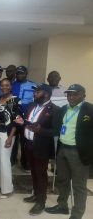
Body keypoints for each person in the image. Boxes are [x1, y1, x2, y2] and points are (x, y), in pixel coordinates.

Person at [45, 84, 93, 219]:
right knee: (62, 180)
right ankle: (62, 206)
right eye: (69, 94)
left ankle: (77, 214)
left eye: (75, 94)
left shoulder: (90, 109)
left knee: (79, 186)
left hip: (78, 153)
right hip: (62, 150)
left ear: (83, 95)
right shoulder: (64, 109)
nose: (71, 97)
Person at [15, 83, 59, 216]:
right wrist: (23, 123)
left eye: (37, 92)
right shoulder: (32, 106)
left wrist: (41, 130)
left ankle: (41, 202)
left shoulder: (55, 109)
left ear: (46, 93)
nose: (34, 94)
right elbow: (30, 123)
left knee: (41, 174)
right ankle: (35, 195)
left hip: (42, 146)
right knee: (33, 172)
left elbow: (56, 131)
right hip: (28, 144)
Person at [0, 78, 21, 199]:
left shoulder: (15, 100)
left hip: (7, 133)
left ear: (10, 86)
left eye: (7, 85)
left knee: (4, 160)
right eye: (2, 85)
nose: (4, 87)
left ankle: (7, 189)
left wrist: (10, 137)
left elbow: (17, 121)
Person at [11, 65, 36, 170]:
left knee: (25, 140)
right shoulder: (12, 85)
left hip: (27, 117)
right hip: (14, 115)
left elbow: (36, 101)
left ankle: (26, 163)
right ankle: (12, 160)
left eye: (22, 73)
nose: (19, 75)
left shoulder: (33, 85)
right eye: (18, 73)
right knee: (12, 138)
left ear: (26, 74)